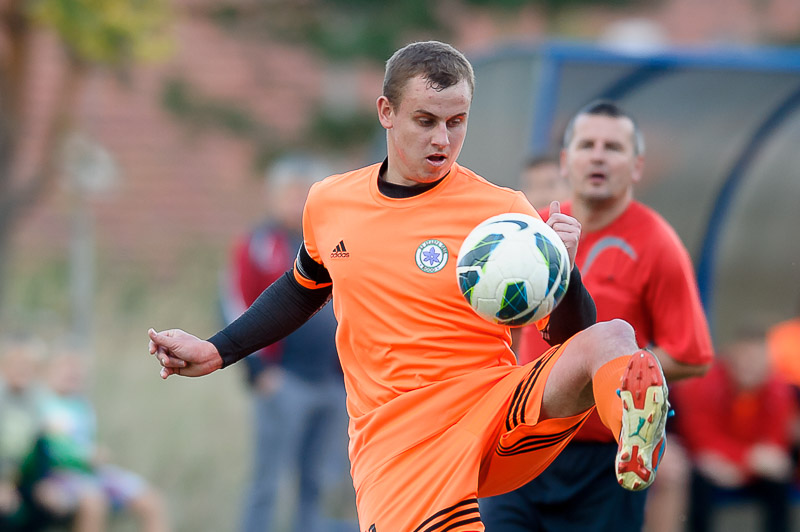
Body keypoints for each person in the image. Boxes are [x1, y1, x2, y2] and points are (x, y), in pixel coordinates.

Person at [147, 41, 670, 532]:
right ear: (387, 112)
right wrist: (218, 349)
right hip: (400, 441)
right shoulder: (331, 203)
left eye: (456, 122)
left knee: (614, 337)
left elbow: (569, 337)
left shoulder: (503, 212)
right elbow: (300, 289)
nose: (443, 139)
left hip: (492, 407)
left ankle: (634, 435)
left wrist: (563, 269)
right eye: (426, 121)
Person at [480, 100, 714, 532]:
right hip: (521, 440)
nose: (599, 156)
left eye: (614, 147)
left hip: (605, 460)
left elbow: (692, 355)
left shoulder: (658, 243)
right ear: (565, 161)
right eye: (587, 145)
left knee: (612, 339)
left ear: (637, 166)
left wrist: (608, 371)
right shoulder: (531, 232)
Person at [219, 155, 350, 532]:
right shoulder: (259, 244)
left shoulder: (331, 242)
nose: (297, 201)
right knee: (269, 481)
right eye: (290, 193)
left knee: (317, 481)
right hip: (283, 380)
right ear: (274, 197)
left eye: (304, 193)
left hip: (331, 381)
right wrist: (258, 370)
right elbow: (233, 304)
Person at [29, 344, 170, 532]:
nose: (72, 373)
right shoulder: (40, 403)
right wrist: (86, 456)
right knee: (93, 503)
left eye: (77, 368)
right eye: (66, 367)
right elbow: (52, 445)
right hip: (59, 474)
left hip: (93, 473)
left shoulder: (81, 405)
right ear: (48, 370)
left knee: (151, 501)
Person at [675, 330, 797, 532]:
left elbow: (775, 443)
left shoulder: (779, 389)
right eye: (745, 358)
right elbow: (701, 440)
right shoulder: (702, 384)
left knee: (779, 478)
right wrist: (748, 458)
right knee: (699, 477)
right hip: (714, 465)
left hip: (748, 467)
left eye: (756, 360)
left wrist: (745, 464)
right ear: (730, 358)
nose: (750, 366)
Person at [0, 335, 46, 530]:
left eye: (27, 365)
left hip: (22, 481)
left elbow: (39, 449)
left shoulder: (37, 400)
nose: (22, 370)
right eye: (16, 364)